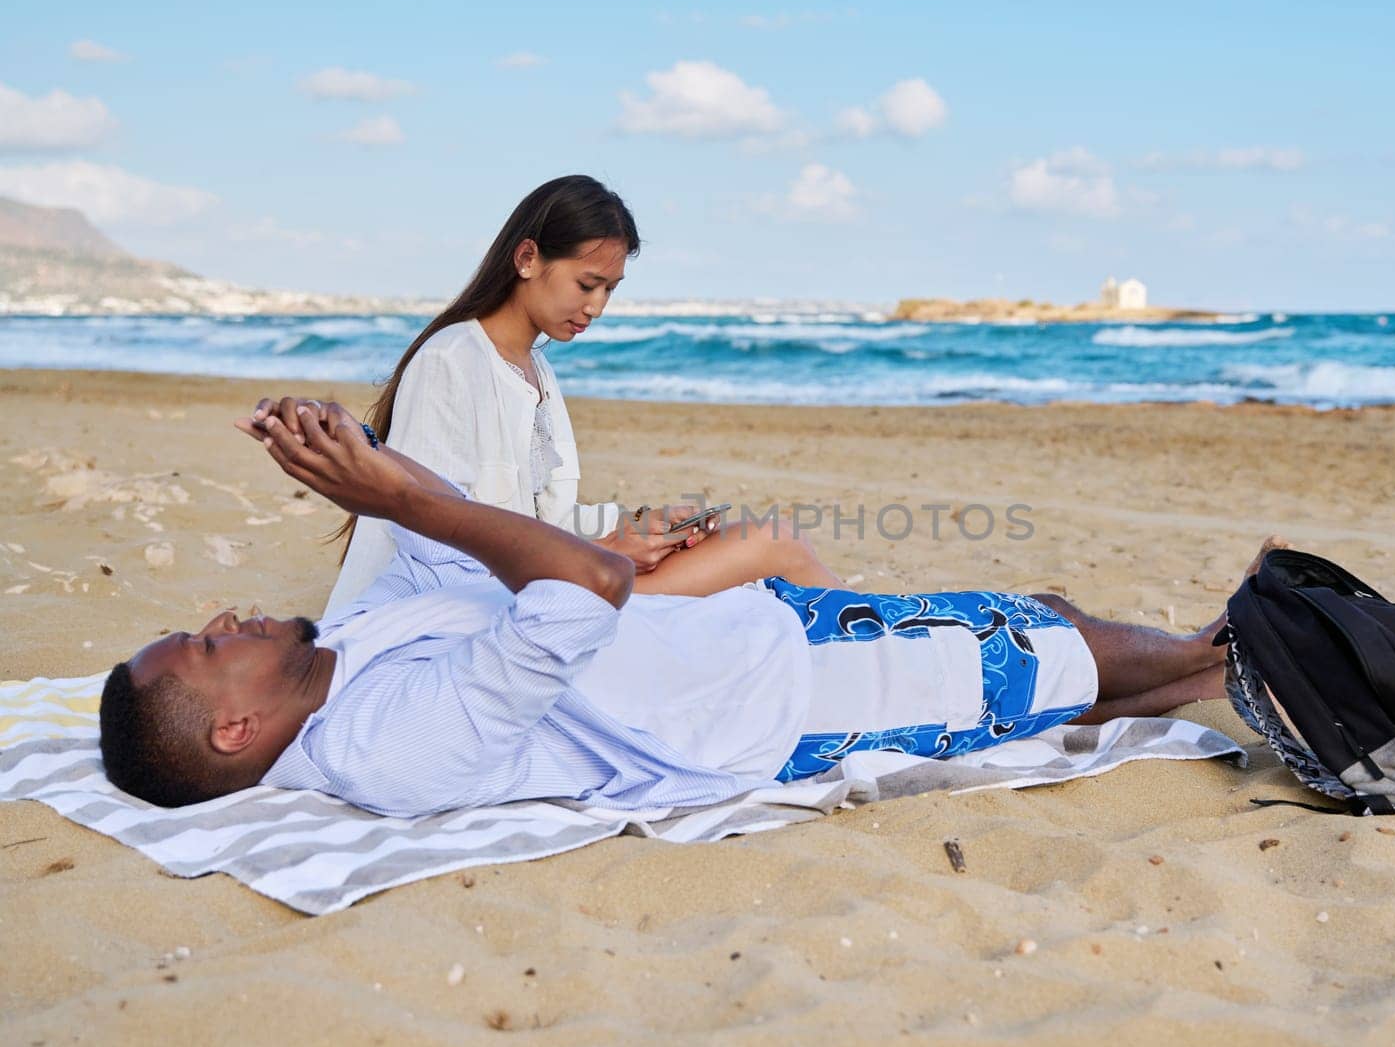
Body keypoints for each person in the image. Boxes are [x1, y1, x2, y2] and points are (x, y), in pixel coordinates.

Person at [99, 397, 1254, 817]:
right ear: (234, 731)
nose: (225, 617)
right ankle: (1221, 658)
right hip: (771, 699)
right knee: (1035, 649)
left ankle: (1203, 660)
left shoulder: (347, 650)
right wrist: (401, 494)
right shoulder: (383, 745)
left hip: (745, 639)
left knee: (1034, 612)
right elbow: (576, 594)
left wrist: (373, 471)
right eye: (206, 648)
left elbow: (491, 566)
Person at [326, 175, 839, 614]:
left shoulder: (535, 370)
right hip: (480, 614)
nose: (597, 307)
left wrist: (636, 526)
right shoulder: (451, 360)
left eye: (610, 289)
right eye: (587, 283)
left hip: (531, 588)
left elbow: (540, 518)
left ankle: (882, 641)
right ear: (527, 258)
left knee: (770, 537)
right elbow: (436, 543)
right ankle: (892, 641)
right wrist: (604, 553)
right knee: (773, 543)